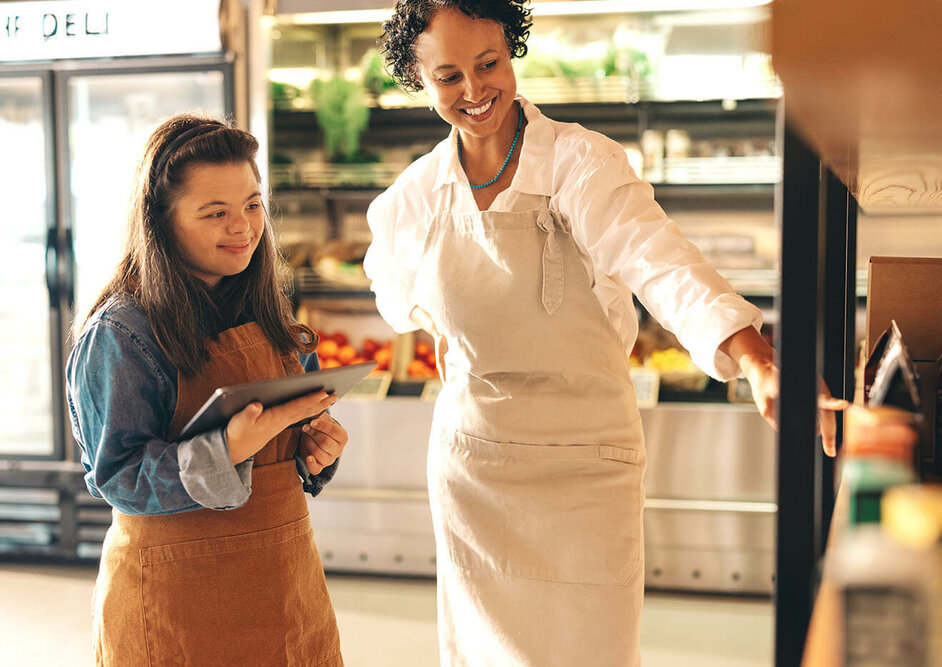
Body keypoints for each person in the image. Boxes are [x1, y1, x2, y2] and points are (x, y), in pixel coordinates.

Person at [366, 1, 847, 664]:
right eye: (448, 77)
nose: (475, 91)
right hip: (475, 469)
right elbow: (390, 290)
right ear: (419, 82)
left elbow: (656, 256)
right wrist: (430, 320)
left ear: (511, 50)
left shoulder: (579, 161)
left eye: (489, 64)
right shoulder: (413, 198)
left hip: (586, 468)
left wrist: (756, 357)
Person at [66, 114, 347, 666]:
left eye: (252, 204)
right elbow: (118, 478)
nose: (242, 226)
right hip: (174, 604)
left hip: (286, 589)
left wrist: (315, 454)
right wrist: (226, 451)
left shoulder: (269, 311)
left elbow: (291, 448)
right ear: (161, 222)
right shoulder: (122, 332)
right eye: (215, 213)